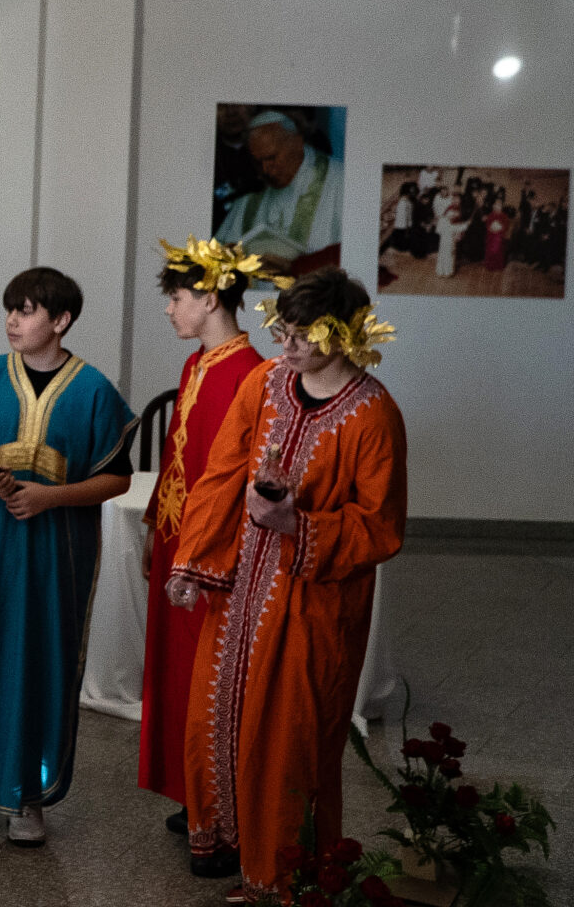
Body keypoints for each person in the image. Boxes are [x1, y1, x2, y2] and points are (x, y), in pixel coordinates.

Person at [169, 268, 405, 903]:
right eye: (283, 331)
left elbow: (381, 526)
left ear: (344, 336)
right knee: (216, 715)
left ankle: (283, 875)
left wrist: (299, 525)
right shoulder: (265, 382)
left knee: (291, 738)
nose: (288, 346)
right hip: (238, 592)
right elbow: (223, 473)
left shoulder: (373, 414)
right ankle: (226, 842)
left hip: (314, 603)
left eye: (304, 335)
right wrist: (192, 561)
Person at [0, 267, 135, 848]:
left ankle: (26, 795)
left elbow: (117, 478)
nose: (12, 320)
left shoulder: (93, 390)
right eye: (10, 309)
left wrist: (50, 497)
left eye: (27, 310)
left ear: (61, 321)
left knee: (41, 659)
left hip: (56, 552)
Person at [138, 240, 269, 855]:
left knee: (208, 674)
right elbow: (176, 457)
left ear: (211, 297)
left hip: (211, 552)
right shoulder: (196, 364)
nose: (169, 308)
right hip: (176, 537)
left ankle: (219, 804)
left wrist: (209, 554)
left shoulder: (250, 373)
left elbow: (240, 478)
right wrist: (154, 528)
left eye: (177, 297)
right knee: (178, 669)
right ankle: (194, 792)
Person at [214, 111, 343, 278]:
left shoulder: (339, 180)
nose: (266, 170)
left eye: (272, 158)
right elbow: (220, 246)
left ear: (297, 142)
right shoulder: (253, 189)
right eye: (258, 162)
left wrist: (297, 267)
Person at [435, 191, 468, 278]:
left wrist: (459, 234)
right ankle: (441, 270)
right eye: (453, 199)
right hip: (445, 233)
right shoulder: (449, 207)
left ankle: (448, 271)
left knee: (450, 253)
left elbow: (461, 224)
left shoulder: (462, 210)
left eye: (457, 199)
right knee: (442, 252)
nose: (455, 201)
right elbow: (444, 219)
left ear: (460, 200)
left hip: (453, 234)